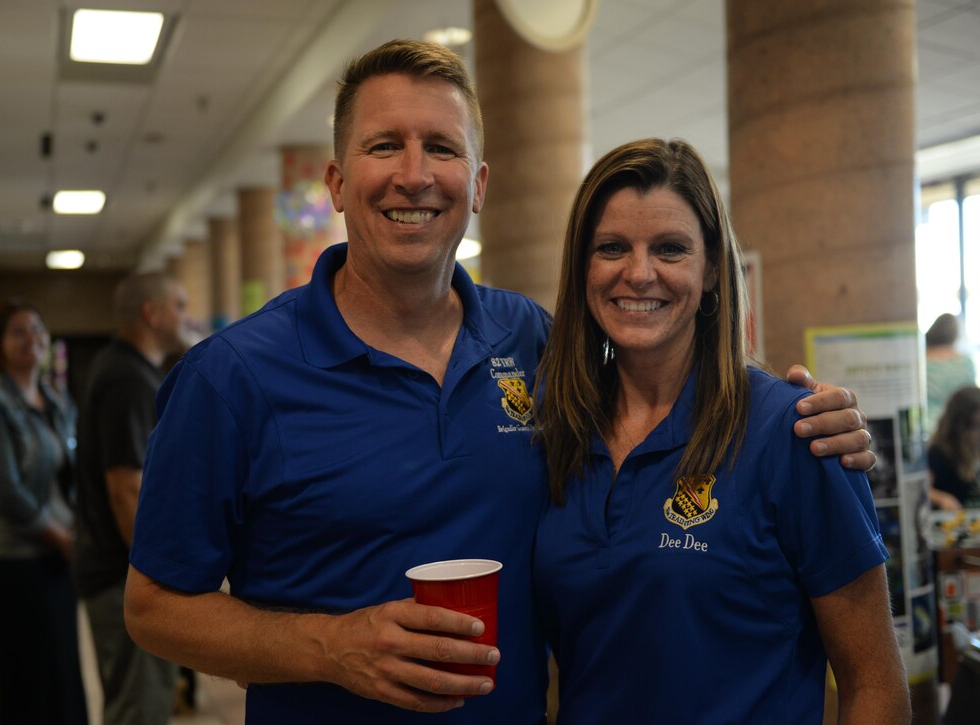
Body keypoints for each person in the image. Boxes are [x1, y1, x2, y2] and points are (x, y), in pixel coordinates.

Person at [124, 40, 875, 722]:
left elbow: (667, 371)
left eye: (441, 148)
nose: (414, 174)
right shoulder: (232, 376)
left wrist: (794, 406)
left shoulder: (533, 343)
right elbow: (153, 607)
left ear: (477, 184)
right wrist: (330, 645)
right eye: (385, 145)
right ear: (336, 181)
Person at [533, 138, 910, 723]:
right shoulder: (561, 430)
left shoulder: (793, 434)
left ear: (711, 269)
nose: (638, 273)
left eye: (670, 249)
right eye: (611, 248)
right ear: (583, 269)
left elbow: (876, 686)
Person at [0, 299, 88, 725]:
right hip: (14, 560)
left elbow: (70, 475)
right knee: (29, 679)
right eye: (18, 331)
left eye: (38, 328)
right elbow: (3, 490)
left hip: (56, 554)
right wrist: (60, 537)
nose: (32, 337)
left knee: (62, 672)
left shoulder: (54, 399)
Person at [73, 273, 189, 724]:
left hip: (110, 568)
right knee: (139, 708)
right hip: (120, 574)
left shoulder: (125, 369)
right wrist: (157, 578)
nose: (186, 316)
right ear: (151, 313)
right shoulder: (126, 378)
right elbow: (126, 488)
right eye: (179, 305)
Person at [928, 385, 980, 510]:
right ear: (958, 427)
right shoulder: (939, 454)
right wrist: (941, 498)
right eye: (975, 426)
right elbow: (922, 490)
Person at [926, 312, 977, 432]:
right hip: (959, 427)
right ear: (955, 335)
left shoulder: (922, 361)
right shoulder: (965, 362)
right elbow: (972, 399)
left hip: (928, 427)